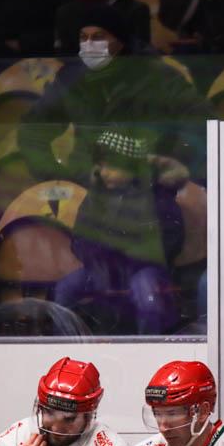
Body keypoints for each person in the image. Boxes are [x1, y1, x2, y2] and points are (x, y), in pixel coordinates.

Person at [19, 4, 212, 186]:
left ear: (120, 42)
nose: (89, 44)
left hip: (147, 186)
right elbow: (32, 131)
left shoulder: (157, 76)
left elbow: (201, 118)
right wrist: (62, 178)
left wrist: (171, 163)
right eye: (83, 37)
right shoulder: (71, 80)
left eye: (98, 37)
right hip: (88, 187)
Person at [54, 130, 185, 335]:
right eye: (101, 165)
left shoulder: (156, 197)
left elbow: (169, 241)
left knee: (149, 299)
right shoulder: (96, 197)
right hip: (100, 269)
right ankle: (67, 348)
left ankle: (150, 346)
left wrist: (126, 258)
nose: (104, 172)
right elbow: (79, 237)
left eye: (112, 166)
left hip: (142, 270)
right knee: (65, 291)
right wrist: (96, 259)